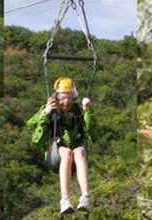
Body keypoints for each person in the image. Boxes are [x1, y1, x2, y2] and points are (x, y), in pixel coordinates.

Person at [27, 77, 94, 214]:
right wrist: (46, 113)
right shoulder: (49, 109)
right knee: (67, 153)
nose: (66, 102)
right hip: (56, 152)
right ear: (57, 97)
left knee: (79, 151)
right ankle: (65, 199)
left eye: (69, 98)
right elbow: (35, 136)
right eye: (63, 98)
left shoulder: (78, 111)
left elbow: (92, 131)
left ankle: (86, 197)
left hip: (76, 154)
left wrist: (87, 111)